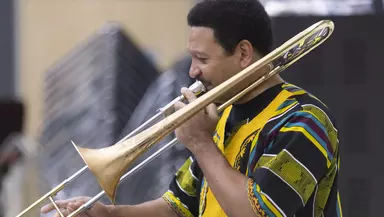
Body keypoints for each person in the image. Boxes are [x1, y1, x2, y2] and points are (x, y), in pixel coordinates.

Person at [41, 0, 343, 216]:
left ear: (243, 53)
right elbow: (179, 206)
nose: (192, 72)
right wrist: (110, 214)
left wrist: (201, 144)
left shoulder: (304, 121)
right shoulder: (220, 118)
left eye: (203, 59)